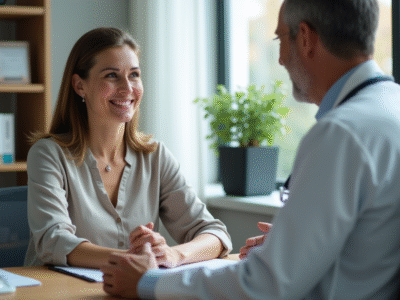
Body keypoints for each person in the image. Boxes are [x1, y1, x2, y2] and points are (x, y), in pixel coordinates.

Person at [100, 0, 400, 298]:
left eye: (281, 38)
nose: (280, 58)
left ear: (306, 39)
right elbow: (374, 250)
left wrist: (148, 283)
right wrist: (295, 246)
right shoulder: (389, 109)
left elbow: (265, 285)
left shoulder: (341, 133)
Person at [24, 27, 232, 269]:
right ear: (80, 86)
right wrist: (135, 259)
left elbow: (214, 233)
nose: (127, 88)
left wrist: (172, 255)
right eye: (112, 75)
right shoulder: (49, 154)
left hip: (129, 290)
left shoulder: (156, 156)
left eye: (134, 75)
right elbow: (54, 241)